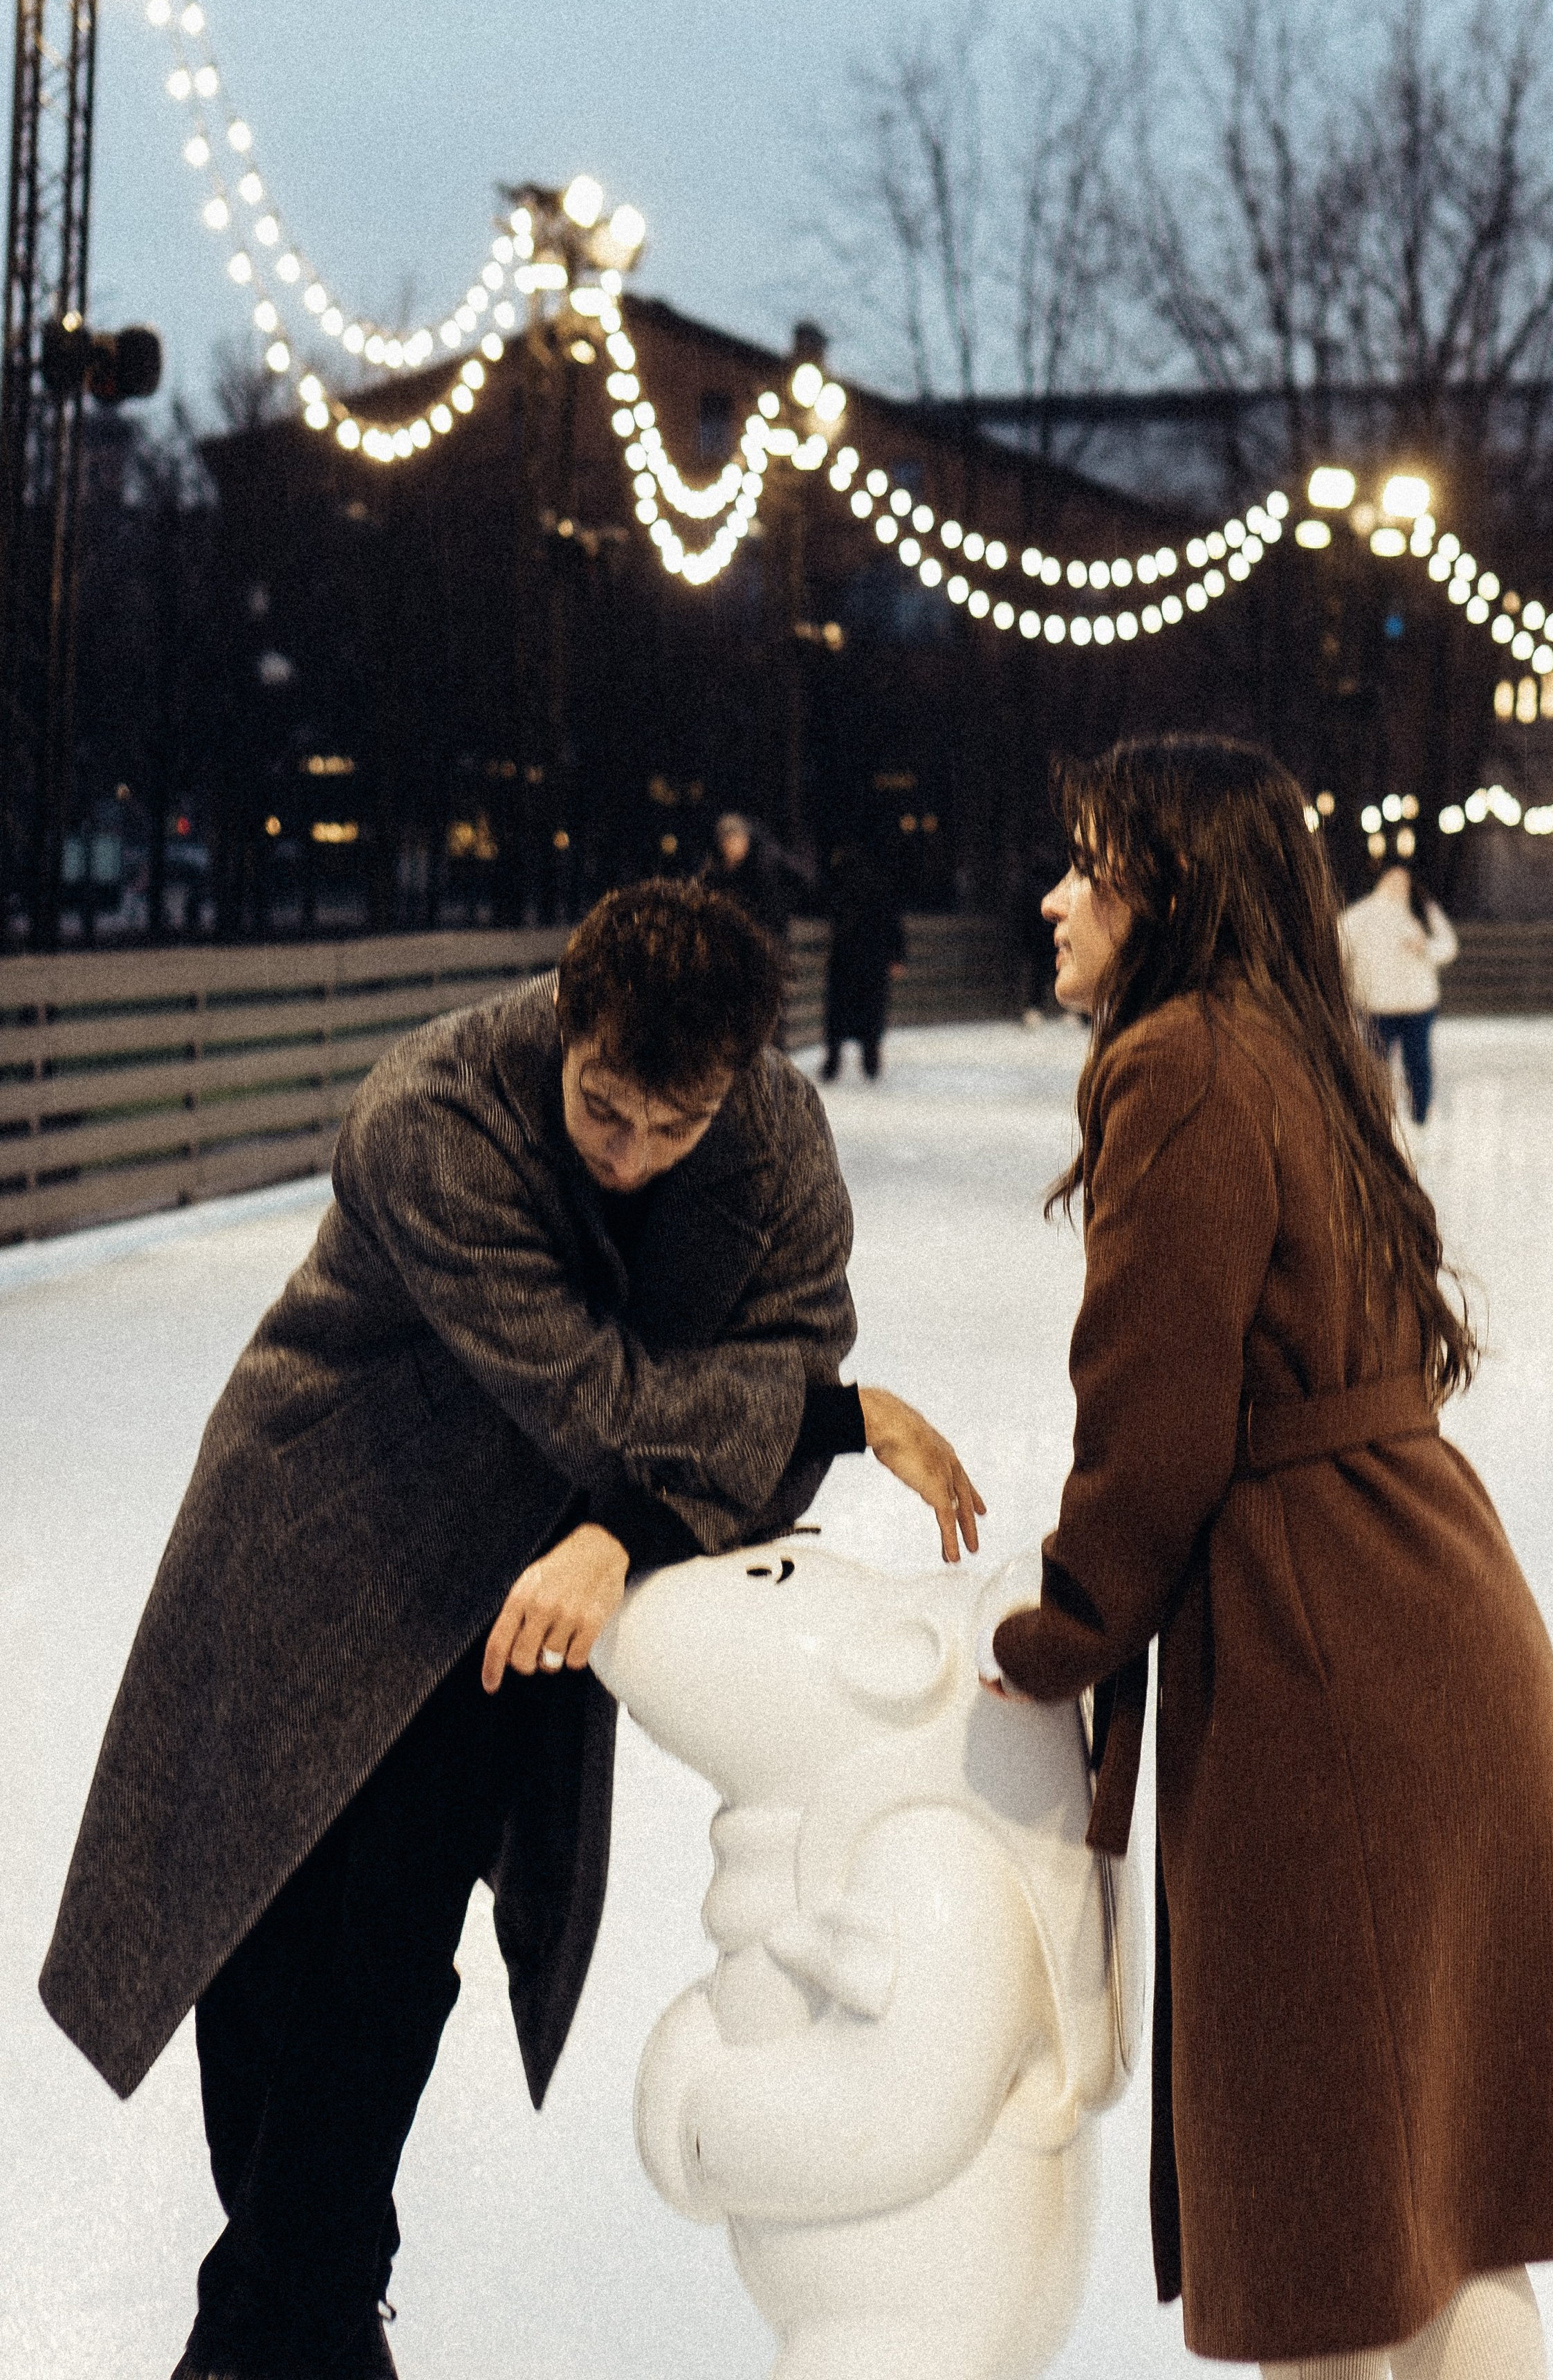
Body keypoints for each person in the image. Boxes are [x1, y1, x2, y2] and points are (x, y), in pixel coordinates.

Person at [40, 880, 981, 2380]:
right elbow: (600, 1397)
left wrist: (626, 1532)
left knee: (394, 1943)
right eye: (604, 1108)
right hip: (325, 1527)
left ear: (735, 1079)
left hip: (528, 1582)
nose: (630, 1154)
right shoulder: (432, 1117)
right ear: (565, 1012)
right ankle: (304, 2320)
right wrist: (837, 1418)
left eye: (671, 1127)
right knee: (264, 1949)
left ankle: (263, 2334)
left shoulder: (775, 1134)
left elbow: (788, 1336)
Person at [981, 737, 1553, 2380]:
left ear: (1170, 889)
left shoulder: (1177, 1063)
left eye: (1087, 866)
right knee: (1450, 2195)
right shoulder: (1299, 1045)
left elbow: (1152, 1415)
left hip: (1320, 1661)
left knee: (1325, 2210)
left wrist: (1059, 1630)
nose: (1053, 898)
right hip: (1427, 1599)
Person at [1339, 861, 1458, 1124]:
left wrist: (1426, 947)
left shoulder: (1422, 910)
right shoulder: (1361, 915)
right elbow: (1338, 948)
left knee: (1418, 1063)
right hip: (1377, 1006)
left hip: (1418, 1005)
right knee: (1375, 1065)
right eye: (1392, 879)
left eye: (1403, 880)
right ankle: (1374, 1116)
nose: (1398, 885)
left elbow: (1448, 946)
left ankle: (1420, 1115)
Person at [820, 843, 906, 1081]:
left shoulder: (841, 881)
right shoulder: (881, 882)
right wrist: (897, 954)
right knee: (868, 1010)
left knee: (843, 1010)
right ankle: (866, 1058)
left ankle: (839, 1060)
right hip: (868, 956)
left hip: (852, 954)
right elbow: (893, 921)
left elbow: (891, 920)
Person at [701, 810, 793, 944]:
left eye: (742, 839)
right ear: (722, 844)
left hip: (760, 936)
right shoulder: (714, 873)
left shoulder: (761, 870)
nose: (738, 844)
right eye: (731, 840)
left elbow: (774, 913)